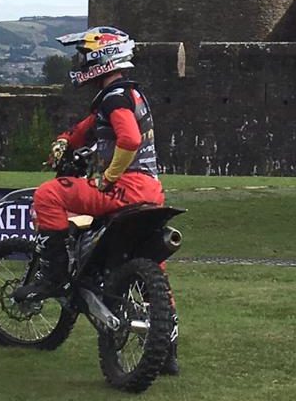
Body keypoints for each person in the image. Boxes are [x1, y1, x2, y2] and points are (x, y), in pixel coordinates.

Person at [11, 26, 178, 374]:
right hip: (151, 190)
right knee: (153, 268)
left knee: (49, 194)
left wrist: (108, 176)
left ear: (101, 58)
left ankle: (54, 273)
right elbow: (89, 126)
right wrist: (65, 140)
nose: (80, 62)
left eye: (84, 56)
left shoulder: (114, 97)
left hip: (125, 187)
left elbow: (129, 140)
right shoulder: (128, 93)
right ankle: (168, 350)